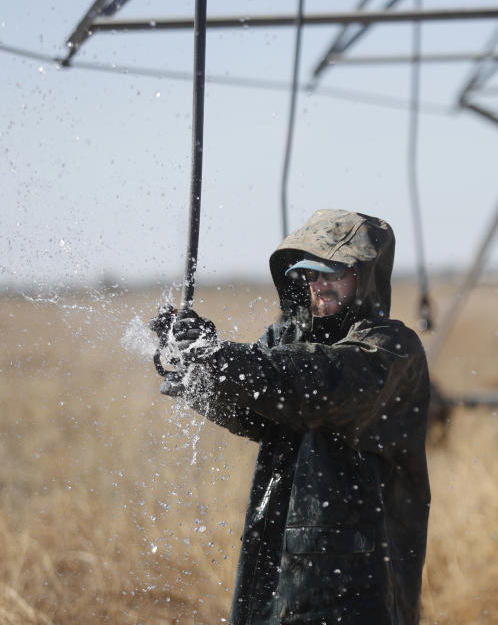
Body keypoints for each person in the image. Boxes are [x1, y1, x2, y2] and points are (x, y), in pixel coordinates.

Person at [151, 209, 431, 625]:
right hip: (277, 566)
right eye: (309, 274)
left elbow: (321, 385)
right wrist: (193, 368)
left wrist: (222, 358)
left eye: (333, 272)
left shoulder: (392, 349)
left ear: (365, 274)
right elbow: (255, 413)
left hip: (360, 582)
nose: (319, 285)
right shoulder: (284, 341)